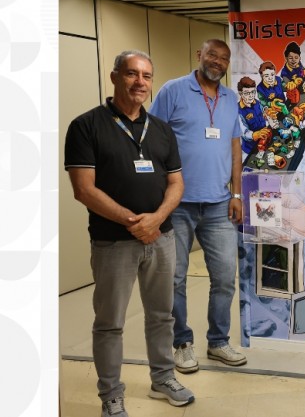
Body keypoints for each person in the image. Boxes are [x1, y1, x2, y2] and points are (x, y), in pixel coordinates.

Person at [64, 50, 194, 416]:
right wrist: (135, 222)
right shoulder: (86, 126)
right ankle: (111, 395)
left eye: (147, 76)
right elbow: (83, 189)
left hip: (162, 239)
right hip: (113, 243)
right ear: (115, 77)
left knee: (162, 316)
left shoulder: (162, 129)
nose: (140, 82)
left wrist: (157, 219)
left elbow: (176, 183)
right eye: (132, 74)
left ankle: (163, 378)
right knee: (110, 324)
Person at [150, 38, 247, 374]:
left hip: (219, 204)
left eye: (223, 58)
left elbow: (235, 148)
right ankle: (181, 343)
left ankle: (218, 341)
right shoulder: (173, 91)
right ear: (199, 55)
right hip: (176, 204)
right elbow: (152, 140)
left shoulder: (231, 98)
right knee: (174, 278)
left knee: (225, 277)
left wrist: (236, 194)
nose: (217, 62)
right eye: (211, 55)